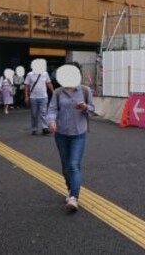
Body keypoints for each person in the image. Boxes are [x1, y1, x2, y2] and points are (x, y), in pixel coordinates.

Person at [47, 64, 95, 212]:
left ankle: (74, 197)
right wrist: (51, 122)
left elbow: (93, 109)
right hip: (61, 133)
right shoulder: (57, 92)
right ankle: (70, 189)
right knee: (66, 166)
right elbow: (52, 110)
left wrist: (85, 107)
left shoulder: (85, 91)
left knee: (74, 165)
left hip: (79, 134)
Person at [25, 59, 54, 135]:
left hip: (43, 96)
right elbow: (27, 86)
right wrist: (26, 96)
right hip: (33, 97)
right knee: (34, 114)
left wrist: (53, 92)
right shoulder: (30, 74)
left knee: (43, 112)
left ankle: (45, 128)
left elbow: (49, 83)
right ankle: (34, 128)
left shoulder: (45, 73)